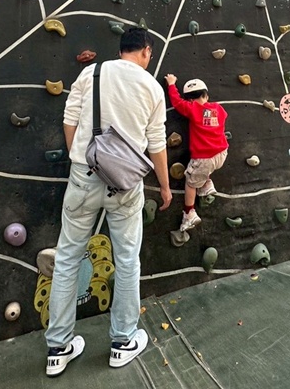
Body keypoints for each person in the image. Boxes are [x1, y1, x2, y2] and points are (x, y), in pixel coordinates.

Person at [45, 27, 172, 377]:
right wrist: (164, 186)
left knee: (68, 257)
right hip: (125, 185)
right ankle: (122, 341)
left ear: (122, 49)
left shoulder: (92, 72)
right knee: (127, 259)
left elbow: (69, 120)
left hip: (83, 176)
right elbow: (156, 144)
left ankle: (58, 348)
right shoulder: (152, 87)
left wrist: (82, 157)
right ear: (146, 51)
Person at [164, 73, 228, 233]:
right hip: (221, 153)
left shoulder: (193, 108)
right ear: (206, 95)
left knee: (191, 181)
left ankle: (189, 213)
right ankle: (206, 183)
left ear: (190, 100)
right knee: (204, 170)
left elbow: (177, 103)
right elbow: (224, 116)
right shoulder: (218, 109)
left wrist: (171, 84)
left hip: (204, 157)